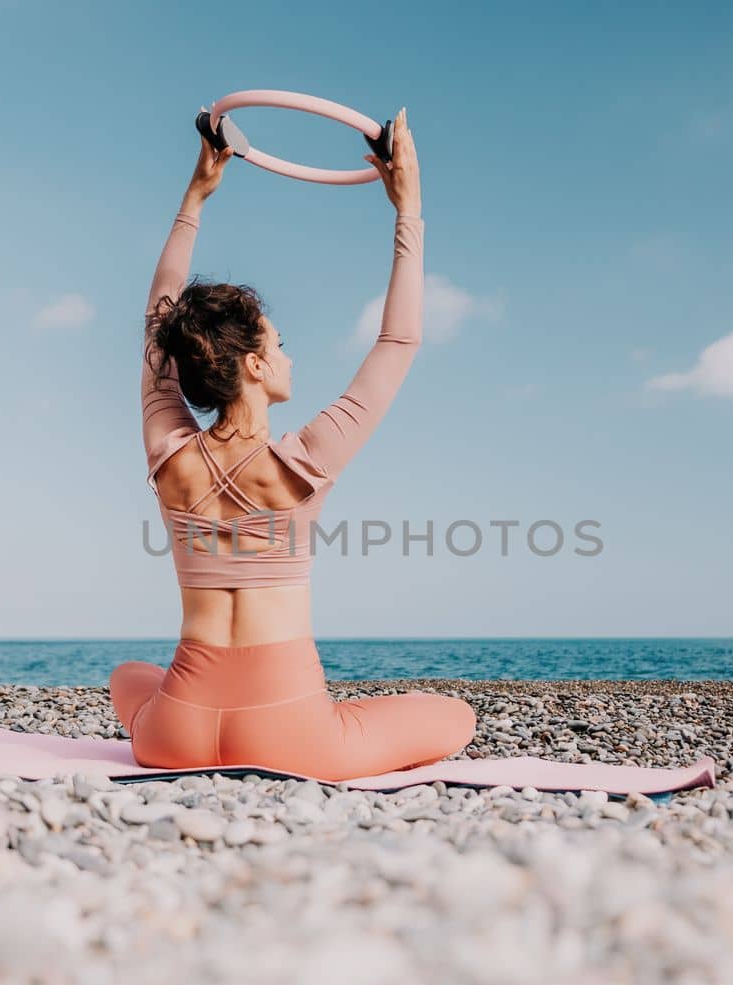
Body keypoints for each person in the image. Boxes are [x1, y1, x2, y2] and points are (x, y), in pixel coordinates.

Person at [109, 109, 477, 780]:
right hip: (290, 732)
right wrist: (408, 207)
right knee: (457, 716)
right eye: (276, 343)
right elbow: (399, 342)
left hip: (175, 733)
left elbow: (157, 321)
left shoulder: (168, 450)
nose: (286, 353)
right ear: (251, 364)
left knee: (128, 676)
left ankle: (170, 720)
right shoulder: (304, 461)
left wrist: (195, 195)